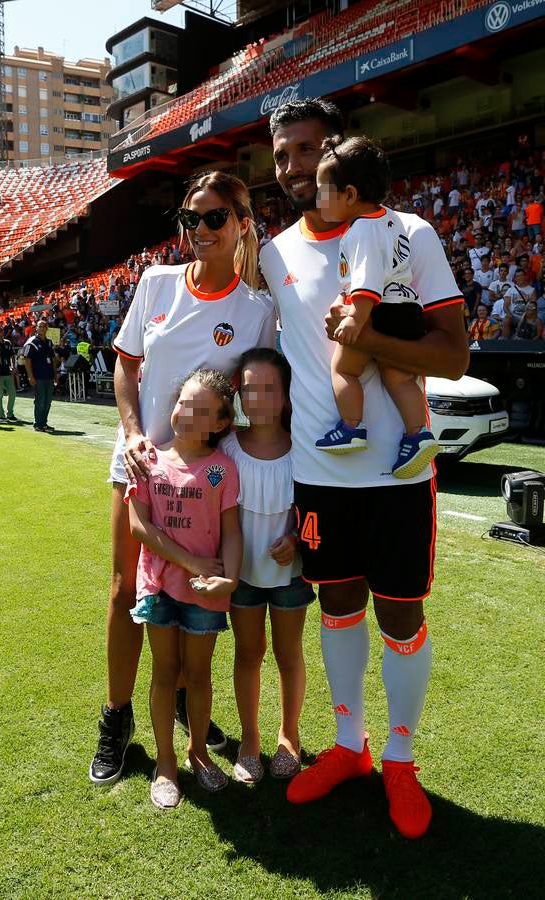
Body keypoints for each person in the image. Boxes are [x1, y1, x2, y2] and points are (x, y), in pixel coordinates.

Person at [261, 98, 469, 840]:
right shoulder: (273, 252)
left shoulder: (409, 235)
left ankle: (401, 759)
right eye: (282, 155)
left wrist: (370, 335)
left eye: (306, 152)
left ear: (338, 153)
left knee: (401, 614)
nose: (292, 169)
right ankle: (349, 748)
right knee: (338, 606)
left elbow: (453, 355)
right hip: (321, 474)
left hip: (399, 477)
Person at [89, 170, 276, 788]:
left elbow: (255, 399)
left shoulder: (256, 313)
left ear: (242, 224)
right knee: (126, 594)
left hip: (204, 482)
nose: (198, 230)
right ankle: (116, 719)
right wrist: (133, 429)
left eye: (214, 218)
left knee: (195, 596)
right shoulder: (156, 281)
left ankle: (183, 714)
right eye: (190, 219)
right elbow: (126, 365)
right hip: (141, 461)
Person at [126, 369, 241, 807]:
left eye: (198, 410)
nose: (184, 413)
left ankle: (196, 753)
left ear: (219, 424)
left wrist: (228, 577)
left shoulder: (222, 469)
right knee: (164, 673)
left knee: (198, 676)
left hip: (205, 594)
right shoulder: (149, 459)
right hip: (159, 588)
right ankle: (166, 762)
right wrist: (191, 561)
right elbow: (139, 526)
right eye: (182, 402)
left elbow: (232, 532)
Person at [312, 135, 439, 480]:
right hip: (407, 310)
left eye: (323, 190)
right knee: (398, 376)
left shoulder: (359, 231)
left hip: (378, 311)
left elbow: (367, 281)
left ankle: (351, 427)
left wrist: (356, 318)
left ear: (350, 195)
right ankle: (417, 433)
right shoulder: (392, 221)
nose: (317, 197)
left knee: (343, 370)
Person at [221, 349, 313, 784]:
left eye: (269, 389)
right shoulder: (226, 448)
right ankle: (250, 740)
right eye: (249, 388)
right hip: (242, 579)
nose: (258, 398)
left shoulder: (305, 448)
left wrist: (295, 539)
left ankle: (289, 736)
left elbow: (315, 507)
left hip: (291, 578)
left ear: (287, 395)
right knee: (248, 653)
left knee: (287, 654)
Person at [23, 319, 56, 433]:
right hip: (38, 377)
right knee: (40, 401)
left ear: (47, 329)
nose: (42, 328)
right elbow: (27, 360)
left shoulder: (49, 342)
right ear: (36, 328)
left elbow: (52, 360)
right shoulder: (31, 342)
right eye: (39, 326)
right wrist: (30, 376)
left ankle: (44, 423)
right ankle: (38, 424)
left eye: (44, 326)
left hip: (49, 376)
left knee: (48, 401)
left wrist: (55, 375)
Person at [0, 329, 18, 423]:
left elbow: (12, 355)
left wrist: (13, 366)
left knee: (12, 393)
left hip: (8, 372)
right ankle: (1, 415)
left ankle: (10, 414)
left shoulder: (7, 343)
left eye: (1, 332)